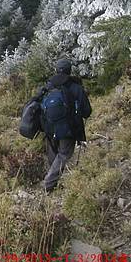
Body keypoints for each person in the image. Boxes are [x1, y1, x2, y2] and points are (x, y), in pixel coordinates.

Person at [38, 58, 91, 193]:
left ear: (56, 70)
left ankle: (51, 183)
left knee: (54, 154)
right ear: (69, 70)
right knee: (64, 154)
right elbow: (86, 111)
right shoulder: (76, 87)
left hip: (48, 128)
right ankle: (48, 184)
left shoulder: (49, 86)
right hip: (68, 129)